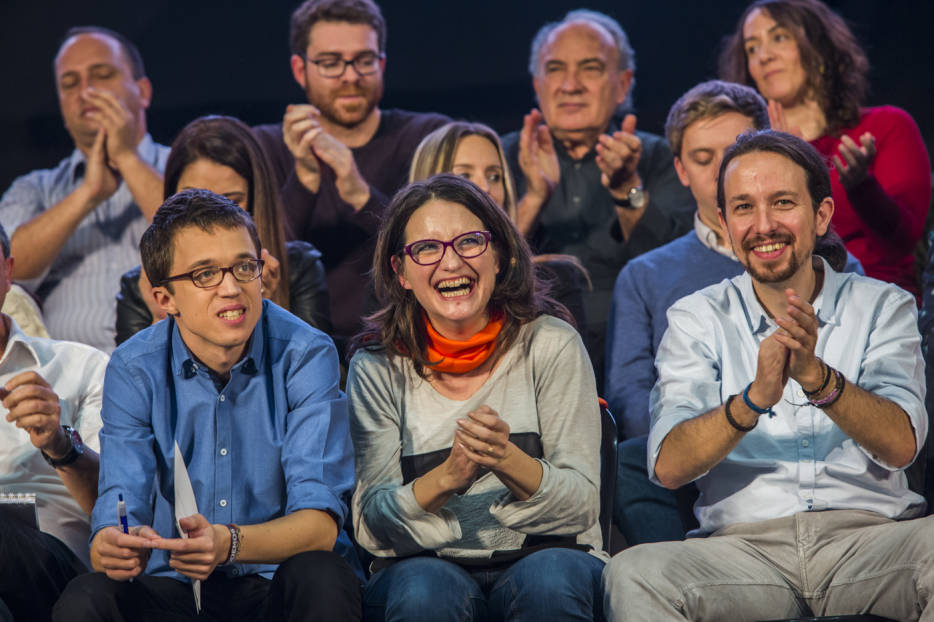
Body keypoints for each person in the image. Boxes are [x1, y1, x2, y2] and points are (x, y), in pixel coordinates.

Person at [603, 130, 932, 621]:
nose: (763, 226)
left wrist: (819, 379)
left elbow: (902, 445)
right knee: (632, 574)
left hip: (872, 541)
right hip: (743, 552)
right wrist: (753, 400)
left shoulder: (883, 304)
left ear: (821, 215)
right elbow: (668, 465)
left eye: (782, 203)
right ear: (724, 222)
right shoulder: (696, 317)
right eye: (743, 208)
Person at [53, 190, 361, 621]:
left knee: (322, 574)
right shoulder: (134, 366)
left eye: (243, 267)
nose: (232, 288)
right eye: (204, 275)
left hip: (275, 582)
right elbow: (120, 507)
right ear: (165, 300)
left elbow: (319, 526)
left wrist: (227, 543)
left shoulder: (306, 353)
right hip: (175, 585)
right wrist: (114, 544)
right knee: (88, 596)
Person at [605, 80, 863, 545]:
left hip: (815, 447)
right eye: (704, 159)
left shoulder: (829, 262)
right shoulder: (646, 275)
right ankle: (678, 573)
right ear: (681, 169)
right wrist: (717, 431)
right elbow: (631, 398)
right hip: (703, 449)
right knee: (629, 460)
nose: (725, 168)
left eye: (736, 150)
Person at [347, 174, 605, 621]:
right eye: (426, 248)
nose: (450, 263)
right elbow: (372, 523)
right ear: (401, 272)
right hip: (422, 565)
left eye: (469, 242)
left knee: (549, 585)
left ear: (501, 256)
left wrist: (507, 460)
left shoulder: (551, 344)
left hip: (549, 555)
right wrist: (449, 476)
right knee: (425, 593)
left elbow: (583, 505)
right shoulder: (376, 368)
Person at [501, 9, 695, 386]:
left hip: (648, 356)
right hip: (525, 359)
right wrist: (534, 199)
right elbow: (479, 266)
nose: (570, 85)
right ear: (538, 85)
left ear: (623, 84)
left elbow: (677, 270)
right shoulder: (500, 159)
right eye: (555, 69)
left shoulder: (661, 158)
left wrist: (628, 190)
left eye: (589, 68)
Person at [254, 0, 449, 355]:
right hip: (287, 349)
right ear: (300, 70)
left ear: (382, 64)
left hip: (408, 344)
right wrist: (305, 181)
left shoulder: (428, 138)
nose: (350, 76)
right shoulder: (263, 148)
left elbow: (438, 252)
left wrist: (362, 196)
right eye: (330, 63)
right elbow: (258, 263)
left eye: (363, 60)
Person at [719, 0, 931, 298]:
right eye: (752, 48)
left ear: (819, 47)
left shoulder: (887, 125)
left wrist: (861, 186)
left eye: (779, 38)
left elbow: (904, 239)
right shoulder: (745, 157)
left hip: (878, 305)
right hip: (784, 302)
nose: (763, 56)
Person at [0, 26, 168, 352]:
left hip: (164, 369)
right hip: (60, 382)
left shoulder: (184, 164)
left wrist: (126, 159)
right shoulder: (35, 188)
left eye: (102, 75)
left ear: (143, 92)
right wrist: (88, 194)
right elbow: (8, 264)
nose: (86, 91)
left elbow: (206, 239)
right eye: (70, 83)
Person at [115, 115, 330, 344]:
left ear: (258, 199)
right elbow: (136, 377)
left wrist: (265, 307)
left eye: (231, 201)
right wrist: (164, 315)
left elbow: (317, 368)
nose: (210, 219)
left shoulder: (299, 268)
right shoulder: (140, 288)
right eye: (192, 200)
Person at [0, 222, 109, 622]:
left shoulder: (81, 365)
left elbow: (118, 504)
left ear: (8, 272)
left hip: (57, 575)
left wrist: (60, 444)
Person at [409, 121, 590, 332]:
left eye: (495, 176)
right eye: (464, 176)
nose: (485, 187)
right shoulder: (394, 287)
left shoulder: (554, 281)